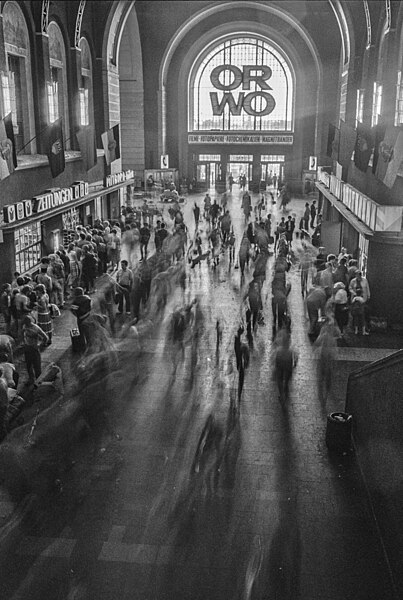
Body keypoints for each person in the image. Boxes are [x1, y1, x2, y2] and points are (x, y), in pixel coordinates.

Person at [272, 328, 298, 403]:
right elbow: (295, 357)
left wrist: (274, 367)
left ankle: (281, 394)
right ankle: (285, 389)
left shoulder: (279, 350)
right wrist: (294, 365)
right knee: (286, 380)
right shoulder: (291, 350)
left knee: (279, 379)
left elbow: (274, 358)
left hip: (280, 363)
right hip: (288, 364)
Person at [22, 315, 48, 383]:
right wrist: (24, 342)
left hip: (34, 349)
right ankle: (31, 379)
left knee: (37, 367)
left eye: (28, 324)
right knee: (28, 365)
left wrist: (39, 345)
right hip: (27, 348)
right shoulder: (24, 326)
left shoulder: (36, 328)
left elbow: (45, 337)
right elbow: (23, 333)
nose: (27, 325)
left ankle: (38, 382)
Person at [349, 270, 370, 335]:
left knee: (357, 317)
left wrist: (368, 295)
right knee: (361, 316)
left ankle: (357, 329)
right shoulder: (353, 281)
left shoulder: (365, 280)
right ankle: (361, 329)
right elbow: (350, 288)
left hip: (362, 297)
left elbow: (367, 288)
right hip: (358, 300)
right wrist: (354, 293)